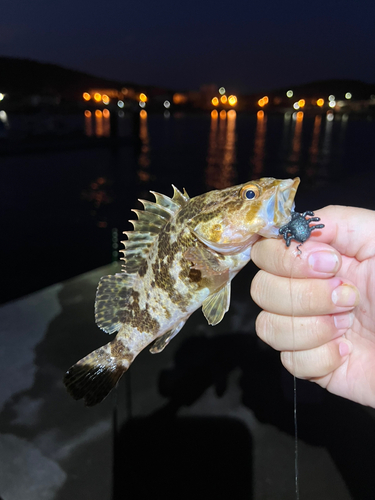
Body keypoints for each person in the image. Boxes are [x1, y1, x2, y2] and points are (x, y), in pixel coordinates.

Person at [250, 205, 375, 408]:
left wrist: (286, 240)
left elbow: (288, 231)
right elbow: (293, 227)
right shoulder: (299, 220)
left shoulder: (294, 223)